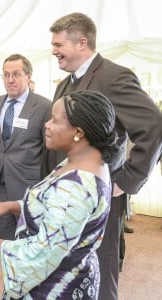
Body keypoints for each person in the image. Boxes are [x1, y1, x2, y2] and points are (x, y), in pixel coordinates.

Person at [47, 12, 162, 300]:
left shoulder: (114, 76)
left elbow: (154, 127)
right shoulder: (64, 84)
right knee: (68, 269)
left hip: (100, 197)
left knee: (99, 270)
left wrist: (126, 181)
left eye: (59, 45)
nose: (53, 51)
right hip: (67, 198)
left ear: (82, 43)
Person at [0, 90, 118, 300]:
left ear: (79, 132)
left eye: (55, 121)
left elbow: (44, 253)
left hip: (53, 289)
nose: (46, 125)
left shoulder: (74, 188)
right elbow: (59, 212)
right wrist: (13, 206)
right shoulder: (87, 162)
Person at [0, 53, 51, 240]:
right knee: (5, 243)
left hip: (27, 188)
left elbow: (50, 147)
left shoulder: (44, 106)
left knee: (29, 243)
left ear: (28, 76)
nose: (10, 80)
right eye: (6, 75)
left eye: (16, 74)